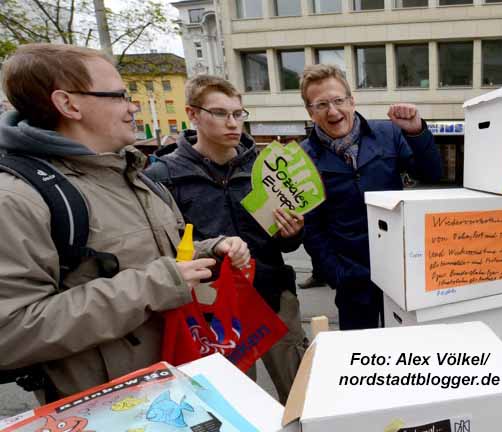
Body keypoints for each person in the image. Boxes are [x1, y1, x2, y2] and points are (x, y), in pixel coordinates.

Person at [0, 44, 250, 401]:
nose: (133, 106)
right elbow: (12, 332)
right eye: (119, 95)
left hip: (173, 385)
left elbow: (164, 257)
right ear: (68, 104)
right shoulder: (18, 198)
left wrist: (211, 251)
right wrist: (158, 284)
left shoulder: (134, 175)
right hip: (111, 408)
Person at [145, 75, 308, 403]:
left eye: (238, 113)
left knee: (301, 393)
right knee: (233, 402)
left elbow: (285, 244)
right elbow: (165, 248)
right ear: (192, 114)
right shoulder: (163, 176)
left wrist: (293, 233)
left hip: (273, 295)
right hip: (213, 310)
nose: (233, 123)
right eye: (221, 113)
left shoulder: (265, 168)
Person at [299, 64, 442, 330]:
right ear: (310, 112)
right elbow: (312, 228)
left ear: (352, 101)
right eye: (321, 105)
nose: (333, 111)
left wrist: (416, 131)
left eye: (338, 100)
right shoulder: (302, 158)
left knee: (405, 348)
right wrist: (337, 274)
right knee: (360, 353)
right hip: (351, 277)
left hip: (399, 268)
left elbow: (431, 173)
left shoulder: (388, 134)